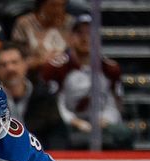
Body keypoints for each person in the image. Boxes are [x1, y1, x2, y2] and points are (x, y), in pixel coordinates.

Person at [43, 15, 133, 150]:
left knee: (123, 133)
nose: (85, 38)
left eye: (91, 33)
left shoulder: (110, 68)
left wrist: (105, 120)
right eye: (79, 33)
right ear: (70, 37)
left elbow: (114, 103)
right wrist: (75, 121)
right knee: (54, 135)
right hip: (68, 123)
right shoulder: (57, 68)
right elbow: (54, 104)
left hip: (101, 122)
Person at [0, 43, 69, 150]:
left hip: (38, 159)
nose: (10, 68)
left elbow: (58, 134)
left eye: (14, 62)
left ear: (25, 64)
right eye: (4, 64)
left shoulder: (44, 97)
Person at [10, 0, 74, 74]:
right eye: (53, 5)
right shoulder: (25, 24)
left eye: (62, 5)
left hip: (67, 74)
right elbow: (17, 59)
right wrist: (41, 61)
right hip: (35, 74)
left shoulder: (71, 23)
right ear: (41, 5)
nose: (58, 10)